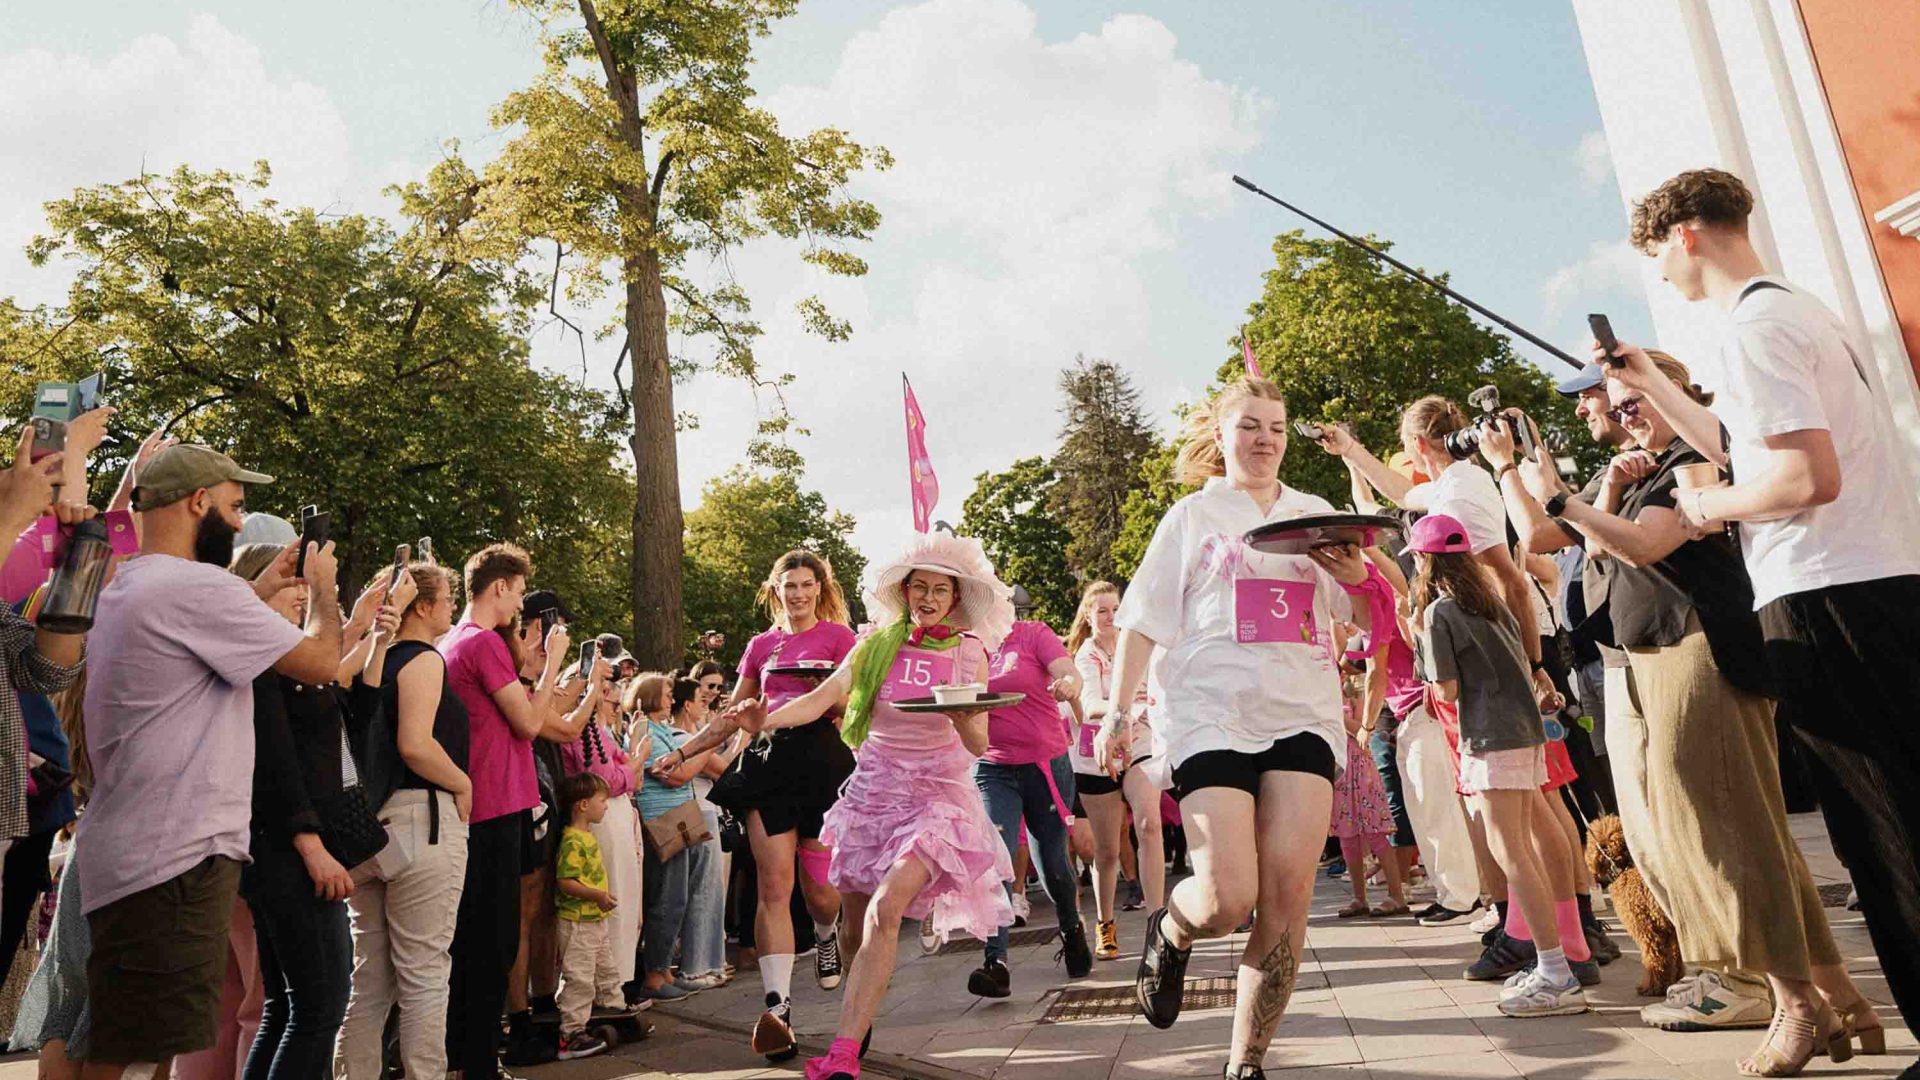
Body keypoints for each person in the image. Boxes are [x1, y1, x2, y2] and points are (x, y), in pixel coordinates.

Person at [1612, 167, 1920, 1077]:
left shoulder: (1752, 329)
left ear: (1682, 237)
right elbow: (1740, 442)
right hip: (1868, 583)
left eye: (1654, 257)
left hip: (1832, 594)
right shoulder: (1792, 311)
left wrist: (1704, 512)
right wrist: (1655, 388)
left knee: (1886, 830)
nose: (1660, 275)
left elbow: (1800, 481)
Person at [1546, 354, 1875, 1071]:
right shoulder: (1649, 464)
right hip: (1661, 656)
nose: (1623, 412)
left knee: (1719, 838)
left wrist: (1557, 500)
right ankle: (1839, 995)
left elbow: (1645, 543)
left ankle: (1795, 1007)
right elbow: (1607, 547)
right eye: (1619, 403)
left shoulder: (1696, 457)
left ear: (1673, 393)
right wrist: (1602, 487)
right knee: (1744, 838)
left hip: (1703, 652)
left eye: (1635, 400)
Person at [1100, 376, 1372, 1079]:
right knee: (1227, 898)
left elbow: (1369, 620)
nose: (1265, 439)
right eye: (1250, 425)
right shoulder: (1192, 516)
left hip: (1302, 713)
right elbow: (1141, 623)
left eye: (1276, 427)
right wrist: (1115, 713)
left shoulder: (1316, 514)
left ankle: (1245, 1064)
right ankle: (1174, 927)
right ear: (1220, 436)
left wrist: (1359, 576)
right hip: (1211, 712)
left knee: (1288, 895)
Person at [698, 531, 1016, 1080]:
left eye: (941, 590)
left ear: (956, 597)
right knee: (852, 922)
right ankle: (858, 1012)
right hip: (872, 793)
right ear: (905, 592)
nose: (929, 598)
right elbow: (821, 699)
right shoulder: (874, 644)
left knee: (885, 908)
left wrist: (964, 718)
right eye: (920, 587)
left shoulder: (969, 652)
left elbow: (980, 745)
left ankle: (843, 1053)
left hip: (937, 797)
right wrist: (764, 720)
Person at [76, 443, 341, 1077]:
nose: (239, 520)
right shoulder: (197, 588)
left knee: (121, 1041)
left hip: (133, 847)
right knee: (138, 1056)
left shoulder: (130, 580)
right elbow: (322, 662)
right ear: (200, 504)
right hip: (177, 858)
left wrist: (261, 586)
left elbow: (185, 615)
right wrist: (325, 592)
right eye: (234, 506)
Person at [228, 541, 409, 1080]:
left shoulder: (278, 661)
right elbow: (275, 758)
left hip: (287, 845)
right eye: (292, 582)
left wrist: (373, 639)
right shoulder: (260, 657)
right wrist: (310, 843)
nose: (302, 593)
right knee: (318, 1008)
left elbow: (347, 716)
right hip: (288, 849)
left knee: (289, 1008)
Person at [665, 550, 857, 1060]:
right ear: (775, 590)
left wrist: (828, 696)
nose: (796, 593)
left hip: (823, 765)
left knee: (821, 894)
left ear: (819, 588)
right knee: (774, 886)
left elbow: (855, 705)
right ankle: (777, 1010)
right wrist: (684, 751)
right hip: (769, 767)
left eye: (805, 584)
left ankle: (824, 932)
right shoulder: (760, 646)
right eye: (787, 585)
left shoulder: (841, 639)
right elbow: (735, 715)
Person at [1407, 514, 1585, 1018]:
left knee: (1511, 853)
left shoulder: (1441, 612)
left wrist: (1420, 635)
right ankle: (1560, 958)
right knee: (1525, 843)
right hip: (1525, 734)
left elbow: (1445, 690)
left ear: (1424, 561)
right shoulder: (1494, 604)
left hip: (1488, 737)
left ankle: (1554, 972)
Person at [336, 559, 472, 1080]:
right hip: (423, 822)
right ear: (422, 605)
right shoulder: (422, 661)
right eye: (446, 599)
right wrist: (463, 782)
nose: (452, 608)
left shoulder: (368, 664)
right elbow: (415, 745)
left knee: (368, 980)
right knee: (424, 977)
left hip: (369, 832)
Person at [440, 543, 569, 1080]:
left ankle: (466, 1055)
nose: (520, 602)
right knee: (491, 940)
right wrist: (554, 664)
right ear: (498, 587)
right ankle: (476, 1063)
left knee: (475, 938)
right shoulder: (480, 644)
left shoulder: (454, 640)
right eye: (517, 591)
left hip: (485, 802)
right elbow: (529, 724)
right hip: (493, 806)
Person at [969, 604, 1090, 997]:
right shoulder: (965, 645)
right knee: (998, 859)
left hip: (1044, 765)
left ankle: (1071, 928)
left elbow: (1069, 671)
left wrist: (1068, 684)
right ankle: (996, 962)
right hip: (993, 768)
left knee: (1053, 864)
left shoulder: (1031, 633)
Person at [1064, 581, 1164, 961]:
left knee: (1149, 824)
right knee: (1105, 852)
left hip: (1140, 743)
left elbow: (1158, 688)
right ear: (1088, 617)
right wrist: (1128, 710)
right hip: (1096, 753)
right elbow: (1090, 705)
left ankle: (1158, 925)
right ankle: (1105, 923)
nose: (1110, 617)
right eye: (1101, 610)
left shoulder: (1135, 646)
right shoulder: (1085, 656)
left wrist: (1145, 712)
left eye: (1115, 609)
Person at [557, 645, 643, 1000]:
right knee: (609, 899)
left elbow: (620, 766)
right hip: (600, 822)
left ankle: (617, 983)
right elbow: (605, 775)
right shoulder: (578, 729)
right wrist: (635, 762)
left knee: (625, 899)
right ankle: (604, 987)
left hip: (616, 816)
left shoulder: (597, 730)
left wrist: (630, 764)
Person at [630, 671, 715, 1002]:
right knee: (665, 899)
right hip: (662, 823)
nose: (670, 700)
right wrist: (707, 749)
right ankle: (653, 975)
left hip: (678, 820)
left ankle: (664, 969)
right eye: (665, 694)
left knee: (677, 899)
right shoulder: (645, 730)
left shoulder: (662, 729)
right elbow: (675, 776)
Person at [551, 773, 627, 1061]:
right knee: (580, 977)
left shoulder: (586, 837)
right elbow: (565, 881)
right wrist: (596, 895)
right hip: (578, 919)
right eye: (602, 801)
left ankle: (615, 1008)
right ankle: (571, 1033)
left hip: (593, 918)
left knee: (606, 968)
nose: (606, 806)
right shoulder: (572, 840)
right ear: (583, 805)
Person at [1329, 656, 1408, 918]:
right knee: (1347, 838)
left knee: (1375, 833)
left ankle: (1396, 895)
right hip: (1339, 772)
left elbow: (1364, 729)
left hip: (1360, 768)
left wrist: (1335, 718)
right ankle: (1358, 897)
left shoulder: (1352, 694)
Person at [670, 675, 733, 988]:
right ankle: (696, 965)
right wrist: (742, 739)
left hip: (706, 810)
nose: (705, 704)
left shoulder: (692, 735)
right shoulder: (682, 736)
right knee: (703, 890)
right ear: (687, 704)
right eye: (700, 699)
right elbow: (723, 769)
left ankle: (710, 961)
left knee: (710, 890)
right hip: (698, 811)